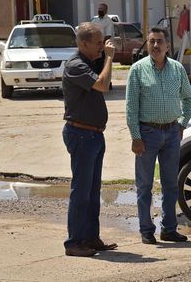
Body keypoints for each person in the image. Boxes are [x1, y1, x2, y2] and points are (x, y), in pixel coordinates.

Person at [126, 26, 191, 245]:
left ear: (167, 45)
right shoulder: (137, 70)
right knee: (145, 185)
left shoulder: (177, 69)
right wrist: (136, 136)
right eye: (152, 41)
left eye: (160, 41)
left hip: (172, 133)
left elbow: (189, 99)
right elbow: (131, 107)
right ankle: (147, 230)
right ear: (147, 44)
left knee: (170, 185)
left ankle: (169, 229)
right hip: (147, 134)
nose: (156, 45)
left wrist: (182, 123)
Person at [62, 22, 117, 257]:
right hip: (81, 134)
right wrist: (110, 58)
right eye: (97, 43)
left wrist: (104, 56)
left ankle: (91, 238)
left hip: (94, 134)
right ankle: (74, 242)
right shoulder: (75, 65)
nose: (101, 47)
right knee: (81, 191)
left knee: (93, 192)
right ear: (83, 43)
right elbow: (103, 85)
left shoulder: (89, 61)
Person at [92, 3, 114, 89]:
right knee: (95, 66)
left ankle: (105, 83)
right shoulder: (95, 20)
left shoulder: (108, 21)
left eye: (102, 9)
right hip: (94, 48)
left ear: (106, 11)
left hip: (103, 49)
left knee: (103, 65)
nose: (100, 10)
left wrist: (100, 45)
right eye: (99, 9)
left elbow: (108, 35)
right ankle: (96, 82)